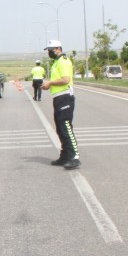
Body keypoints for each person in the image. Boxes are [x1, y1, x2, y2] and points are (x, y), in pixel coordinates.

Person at [41, 40, 80, 169]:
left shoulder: (63, 61)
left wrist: (50, 83)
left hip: (65, 98)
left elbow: (65, 80)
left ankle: (74, 157)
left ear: (58, 49)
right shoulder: (56, 62)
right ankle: (65, 155)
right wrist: (49, 85)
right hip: (58, 98)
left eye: (50, 50)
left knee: (66, 127)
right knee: (60, 128)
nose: (49, 52)